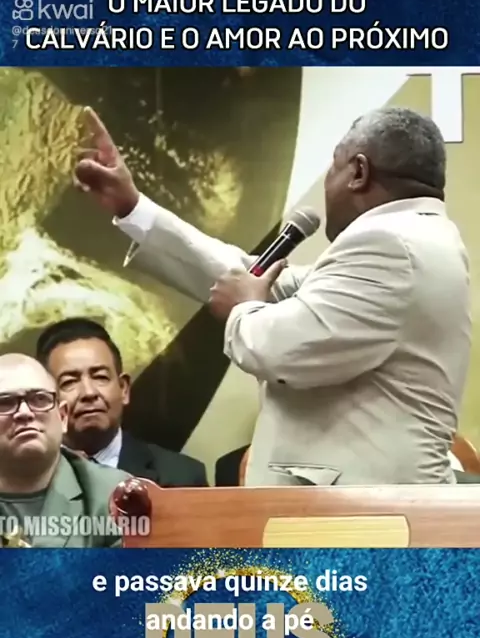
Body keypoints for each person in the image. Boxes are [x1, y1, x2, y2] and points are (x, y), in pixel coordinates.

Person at [74, 106, 471, 486]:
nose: (328, 182)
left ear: (358, 172)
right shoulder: (421, 238)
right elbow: (259, 280)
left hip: (362, 514)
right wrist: (133, 208)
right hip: (366, 505)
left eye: (334, 165)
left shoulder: (389, 244)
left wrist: (242, 308)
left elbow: (283, 349)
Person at [36, 317, 208, 487]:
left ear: (124, 388)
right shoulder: (25, 479)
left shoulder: (183, 477)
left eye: (100, 377)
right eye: (69, 382)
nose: (89, 392)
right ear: (45, 399)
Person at [0, 353, 127, 547]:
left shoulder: (116, 496)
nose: (24, 413)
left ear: (63, 417)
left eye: (40, 399)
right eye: (4, 403)